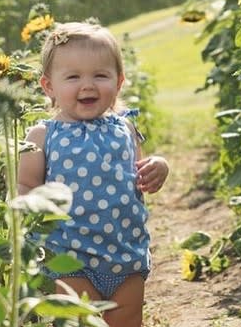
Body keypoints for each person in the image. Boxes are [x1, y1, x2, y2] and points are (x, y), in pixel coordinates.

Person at [18, 21, 170, 327]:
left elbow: (140, 173)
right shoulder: (42, 136)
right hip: (68, 256)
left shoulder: (125, 128)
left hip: (125, 255)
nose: (88, 85)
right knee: (78, 321)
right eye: (73, 77)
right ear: (49, 86)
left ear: (119, 81)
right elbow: (25, 185)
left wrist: (159, 167)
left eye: (100, 75)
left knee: (126, 320)